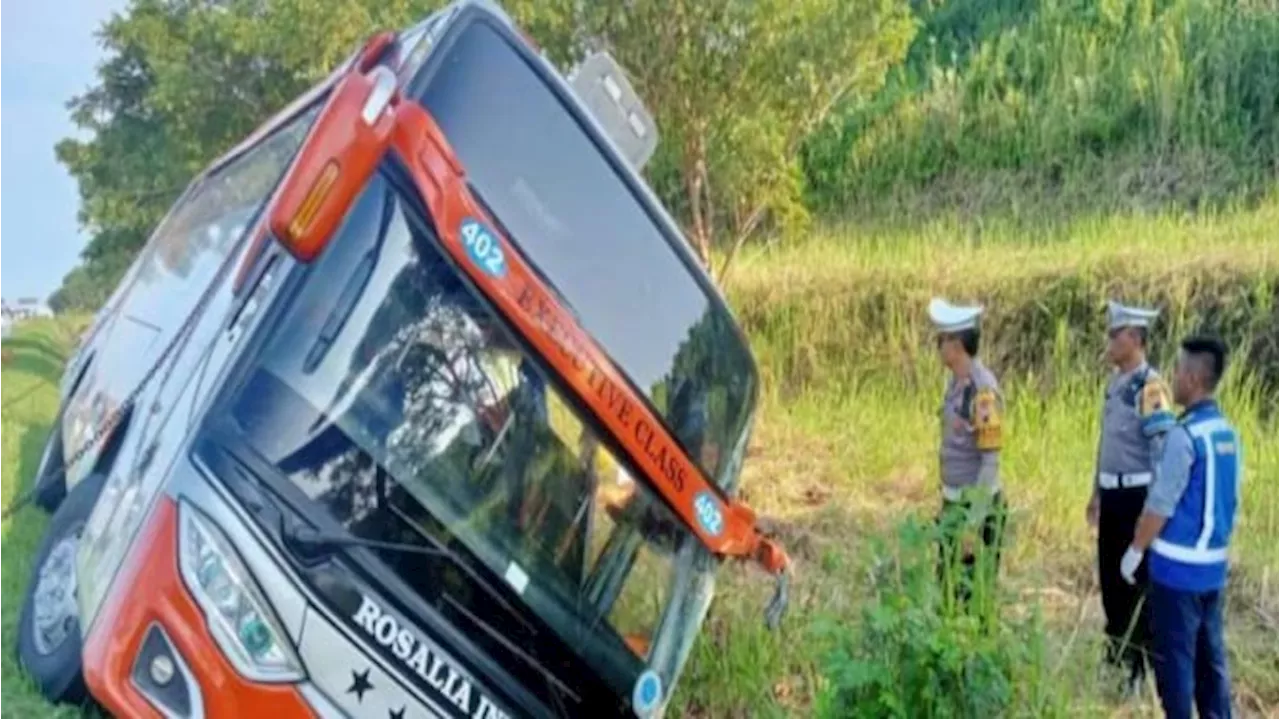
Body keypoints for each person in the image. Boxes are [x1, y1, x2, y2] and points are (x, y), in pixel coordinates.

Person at [1121, 335, 1238, 719]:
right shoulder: (1226, 434)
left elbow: (1160, 504)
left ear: (1192, 377)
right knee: (1211, 664)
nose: (1173, 378)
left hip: (1176, 573)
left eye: (1178, 370)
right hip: (1213, 570)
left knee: (1176, 667)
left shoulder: (1183, 436)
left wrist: (1136, 549)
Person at [1088, 300, 1176, 695]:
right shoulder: (1115, 384)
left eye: (1115, 334)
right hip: (1111, 493)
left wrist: (1153, 510)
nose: (1109, 341)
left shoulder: (1150, 387)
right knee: (1110, 578)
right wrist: (1095, 492)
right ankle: (1116, 655)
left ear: (1136, 339)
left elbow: (1163, 452)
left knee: (1135, 581)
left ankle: (1138, 669)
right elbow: (1105, 443)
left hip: (1136, 496)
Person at [928, 298, 1007, 608]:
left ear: (957, 344)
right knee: (947, 591)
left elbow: (990, 460)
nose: (938, 347)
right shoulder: (956, 384)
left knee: (973, 598)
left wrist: (973, 523)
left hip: (974, 508)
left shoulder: (981, 391)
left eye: (941, 340)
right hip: (954, 502)